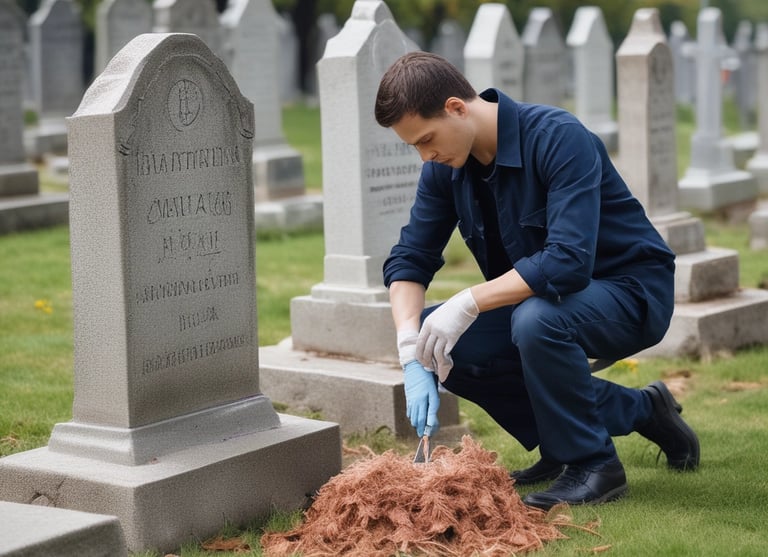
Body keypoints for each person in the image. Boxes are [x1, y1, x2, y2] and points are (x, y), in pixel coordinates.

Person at [375, 51, 700, 510]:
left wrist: (468, 301)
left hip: (631, 293)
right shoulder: (443, 169)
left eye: (426, 139)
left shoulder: (557, 137)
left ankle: (593, 466)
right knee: (440, 339)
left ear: (456, 108)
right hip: (544, 302)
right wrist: (410, 351)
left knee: (535, 319)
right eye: (415, 147)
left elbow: (567, 262)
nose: (426, 155)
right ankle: (633, 414)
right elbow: (411, 257)